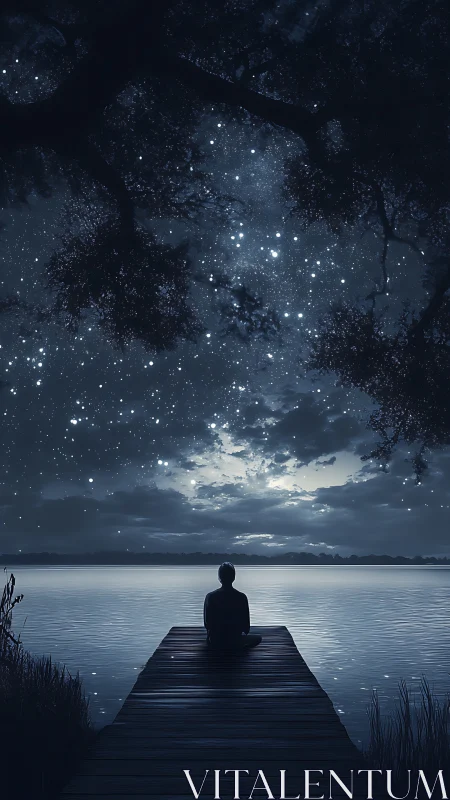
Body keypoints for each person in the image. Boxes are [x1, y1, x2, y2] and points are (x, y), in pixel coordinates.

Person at [203, 562, 262, 650]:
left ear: (219, 578)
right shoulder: (242, 597)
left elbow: (207, 624)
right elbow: (246, 628)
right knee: (258, 638)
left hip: (215, 641)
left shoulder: (210, 596)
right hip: (235, 640)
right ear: (233, 577)